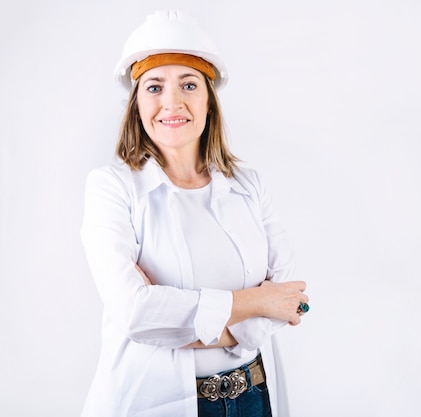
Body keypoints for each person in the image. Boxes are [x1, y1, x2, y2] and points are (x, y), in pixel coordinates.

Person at [80, 10, 309, 417]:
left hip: (254, 399)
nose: (172, 102)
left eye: (189, 84)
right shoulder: (112, 189)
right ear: (136, 104)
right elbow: (135, 312)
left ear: (208, 100)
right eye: (154, 87)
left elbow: (289, 299)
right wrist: (258, 301)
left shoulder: (249, 186)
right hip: (158, 404)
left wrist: (179, 323)